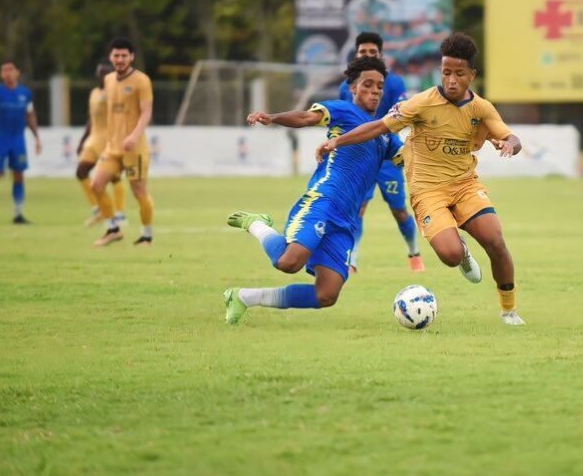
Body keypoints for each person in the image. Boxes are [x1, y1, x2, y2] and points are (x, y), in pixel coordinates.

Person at [316, 32, 527, 326]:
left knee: (495, 240)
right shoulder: (421, 103)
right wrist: (336, 142)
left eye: (459, 74)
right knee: (451, 255)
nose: (451, 80)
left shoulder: (481, 108)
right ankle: (461, 251)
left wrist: (510, 145)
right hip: (428, 192)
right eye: (446, 72)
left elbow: (511, 137)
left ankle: (509, 310)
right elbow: (378, 127)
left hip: (465, 186)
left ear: (472, 75)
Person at [223, 56, 402, 325]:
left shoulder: (386, 134)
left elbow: (410, 158)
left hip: (346, 220)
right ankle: (256, 224)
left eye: (380, 86)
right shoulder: (342, 110)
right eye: (368, 84)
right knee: (288, 262)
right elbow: (306, 117)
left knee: (327, 294)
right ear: (353, 88)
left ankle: (243, 297)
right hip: (324, 200)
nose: (375, 90)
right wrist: (272, 117)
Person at [338, 31, 424, 273]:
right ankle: (352, 260)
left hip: (387, 157)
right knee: (358, 209)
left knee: (399, 210)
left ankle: (414, 252)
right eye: (363, 52)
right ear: (356, 55)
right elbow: (342, 120)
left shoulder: (394, 83)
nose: (367, 55)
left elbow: (402, 113)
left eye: (372, 52)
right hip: (359, 157)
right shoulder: (345, 87)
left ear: (381, 55)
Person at [91, 39, 155, 247]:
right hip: (112, 148)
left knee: (139, 192)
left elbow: (146, 112)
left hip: (135, 148)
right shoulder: (108, 80)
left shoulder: (141, 80)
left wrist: (134, 136)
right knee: (96, 185)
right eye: (116, 55)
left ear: (131, 57)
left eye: (124, 55)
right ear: (111, 57)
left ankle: (147, 235)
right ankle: (113, 229)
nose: (119, 59)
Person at [0, 60, 42, 224]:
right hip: (0, 139)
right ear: (1, 74)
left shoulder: (25, 93)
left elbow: (30, 115)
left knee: (19, 174)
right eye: (4, 70)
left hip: (18, 140)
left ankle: (18, 213)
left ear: (17, 72)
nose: (7, 73)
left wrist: (37, 138)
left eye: (10, 69)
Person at [76, 61, 126, 227]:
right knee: (81, 172)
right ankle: (99, 209)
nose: (103, 76)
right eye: (101, 73)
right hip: (94, 139)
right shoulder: (94, 93)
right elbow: (91, 118)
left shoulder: (115, 92)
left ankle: (120, 214)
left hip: (109, 139)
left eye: (107, 73)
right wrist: (82, 140)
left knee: (114, 177)